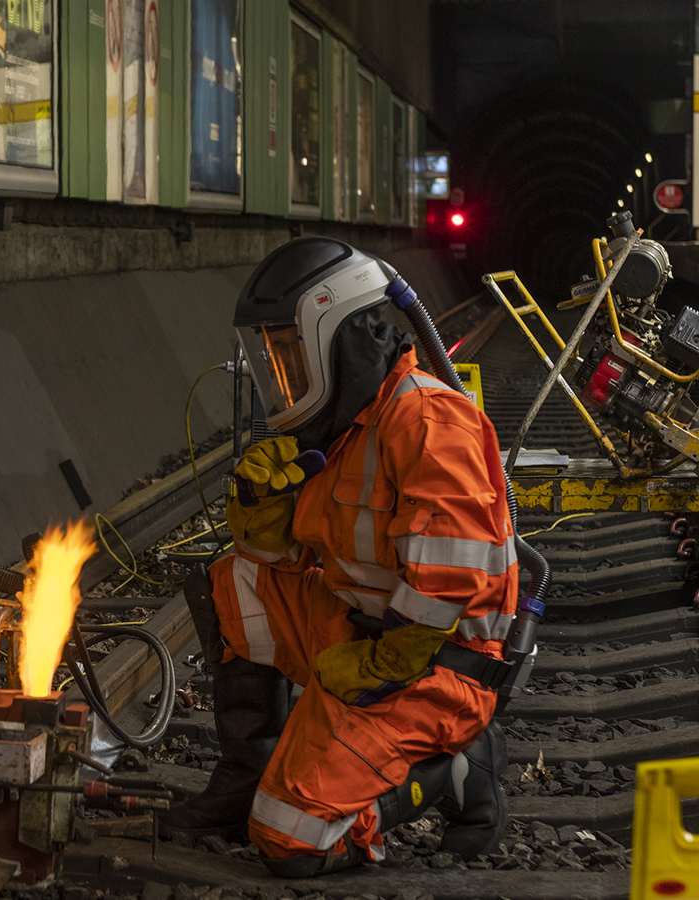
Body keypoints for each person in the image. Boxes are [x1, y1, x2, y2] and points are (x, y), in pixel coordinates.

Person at [161, 237, 515, 876]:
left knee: (290, 840)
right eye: (271, 357)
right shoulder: (344, 425)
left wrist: (387, 663)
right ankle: (249, 773)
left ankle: (456, 773)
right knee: (234, 583)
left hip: (433, 666)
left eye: (291, 354)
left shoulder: (429, 423)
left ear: (340, 339)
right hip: (363, 634)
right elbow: (280, 557)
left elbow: (449, 576)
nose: (279, 375)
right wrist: (260, 506)